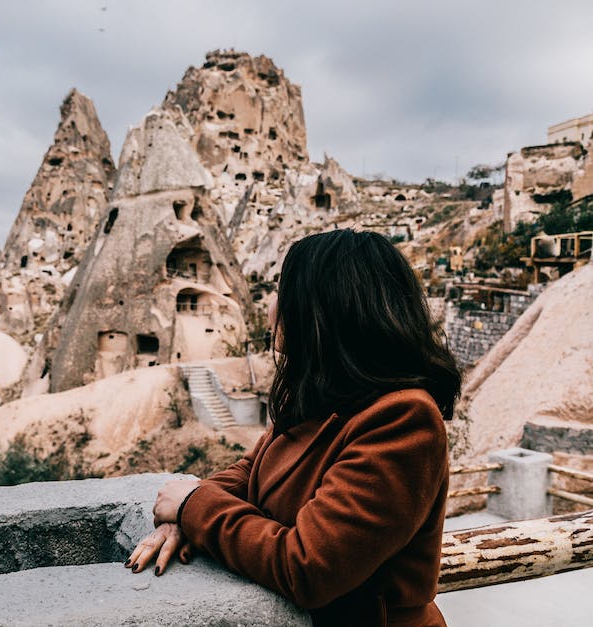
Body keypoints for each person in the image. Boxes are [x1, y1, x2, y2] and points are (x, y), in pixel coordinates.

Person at [125, 229, 461, 627]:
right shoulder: (323, 399)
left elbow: (310, 566)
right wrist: (186, 516)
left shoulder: (403, 421)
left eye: (283, 290)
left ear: (323, 306)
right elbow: (251, 471)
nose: (271, 308)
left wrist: (193, 507)